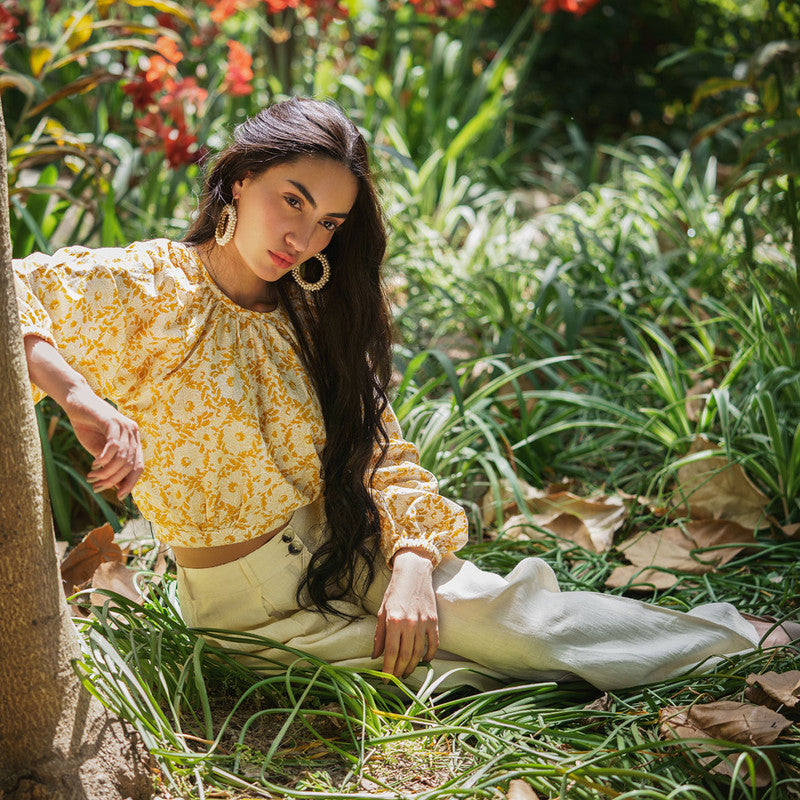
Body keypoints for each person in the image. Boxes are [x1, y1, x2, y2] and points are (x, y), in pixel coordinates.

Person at [13, 98, 798, 691]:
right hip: (245, 613)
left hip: (349, 543)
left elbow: (381, 448)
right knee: (453, 675)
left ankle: (757, 640)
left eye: (328, 222)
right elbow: (17, 291)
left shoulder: (314, 311)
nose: (305, 237)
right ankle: (704, 649)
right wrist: (81, 395)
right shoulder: (150, 284)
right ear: (240, 178)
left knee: (516, 627)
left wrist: (416, 561)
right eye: (293, 199)